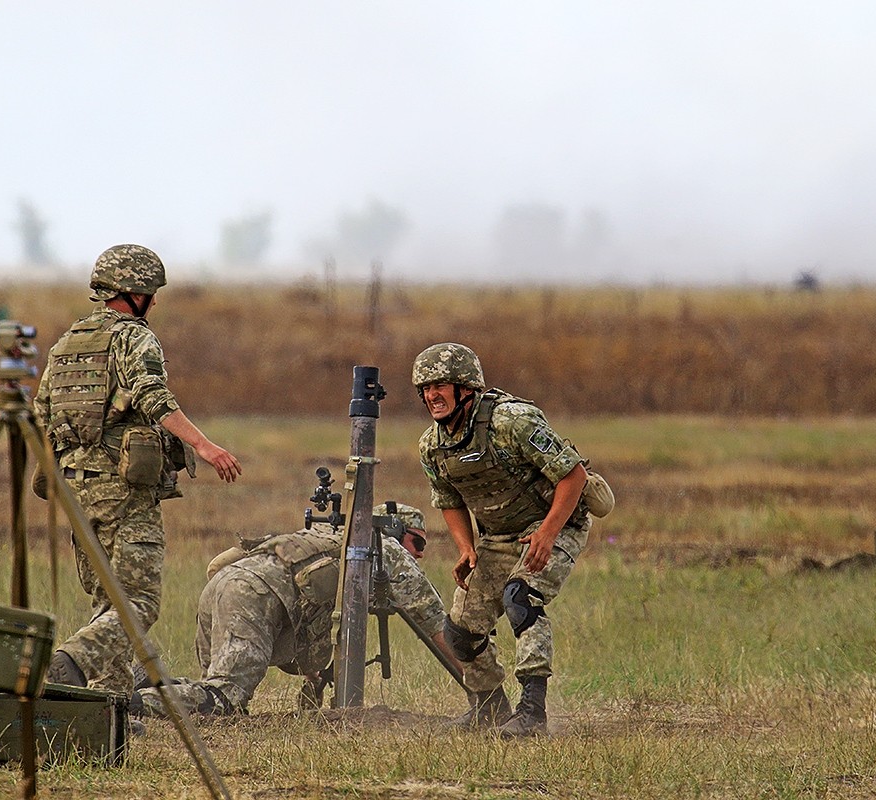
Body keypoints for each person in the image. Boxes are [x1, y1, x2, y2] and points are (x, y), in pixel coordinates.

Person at [33, 243, 242, 697]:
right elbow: (152, 395)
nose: (155, 302)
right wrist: (203, 445)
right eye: (151, 293)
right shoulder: (133, 337)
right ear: (134, 293)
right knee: (139, 602)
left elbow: (41, 413)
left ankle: (109, 705)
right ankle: (70, 661)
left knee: (108, 600)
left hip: (75, 490)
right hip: (122, 490)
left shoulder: (65, 344)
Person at [411, 342, 613, 737]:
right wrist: (466, 548)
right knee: (461, 631)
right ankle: (489, 708)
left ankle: (532, 713)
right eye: (425, 388)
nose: (431, 395)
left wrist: (547, 533)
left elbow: (572, 477)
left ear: (465, 388)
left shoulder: (513, 421)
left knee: (521, 598)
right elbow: (448, 500)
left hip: (556, 523)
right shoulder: (431, 446)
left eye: (440, 386)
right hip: (499, 536)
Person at [134, 502, 458, 717]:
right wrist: (477, 686)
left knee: (214, 699)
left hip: (224, 585)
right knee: (223, 699)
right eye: (418, 543)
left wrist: (311, 668)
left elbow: (309, 608)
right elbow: (435, 624)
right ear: (394, 531)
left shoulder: (330, 539)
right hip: (252, 595)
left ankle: (146, 682)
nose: (420, 554)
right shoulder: (385, 549)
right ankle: (128, 704)